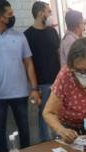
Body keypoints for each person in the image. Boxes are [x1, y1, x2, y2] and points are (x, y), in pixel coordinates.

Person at [0, 0, 40, 152]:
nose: (13, 17)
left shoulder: (19, 36)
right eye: (10, 14)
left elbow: (29, 63)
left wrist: (34, 88)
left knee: (24, 130)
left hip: (20, 93)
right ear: (0, 17)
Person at [24, 1, 60, 142]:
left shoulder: (52, 31)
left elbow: (58, 54)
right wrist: (33, 87)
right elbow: (27, 63)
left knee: (59, 114)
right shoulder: (27, 35)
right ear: (40, 13)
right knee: (44, 115)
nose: (50, 14)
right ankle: (46, 145)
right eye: (48, 11)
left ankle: (61, 143)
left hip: (57, 81)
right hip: (41, 84)